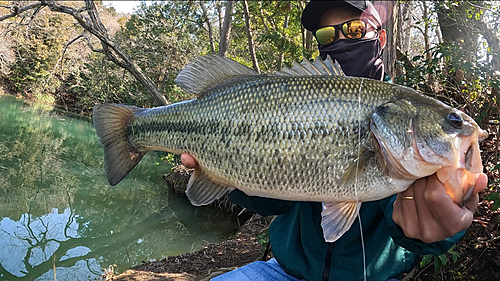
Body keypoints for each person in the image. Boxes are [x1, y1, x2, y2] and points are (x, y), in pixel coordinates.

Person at [180, 1, 488, 280]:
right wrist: (227, 173)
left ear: (380, 38)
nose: (340, 41)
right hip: (286, 272)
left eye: (354, 29)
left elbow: (413, 223)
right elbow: (270, 198)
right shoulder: (295, 98)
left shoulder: (400, 115)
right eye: (327, 36)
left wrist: (436, 229)